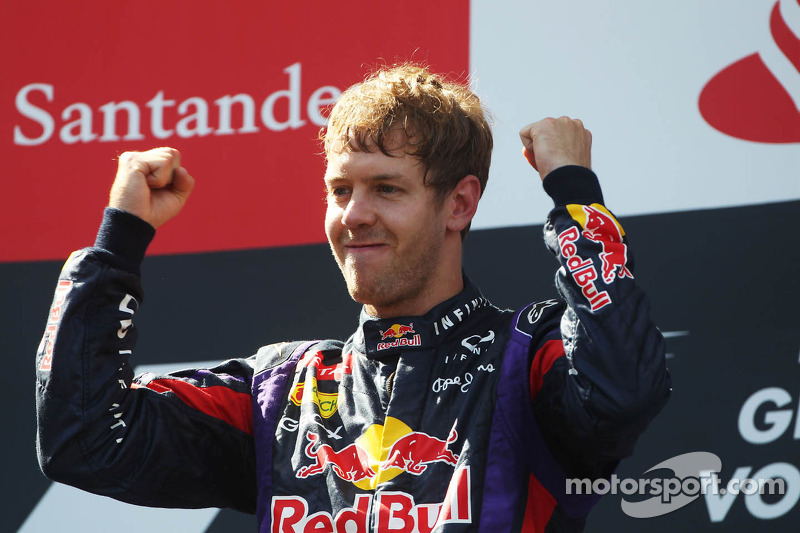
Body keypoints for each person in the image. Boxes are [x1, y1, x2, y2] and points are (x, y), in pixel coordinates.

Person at [35, 64, 671, 532]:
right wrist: (118, 241)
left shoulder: (526, 360)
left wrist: (575, 195)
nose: (354, 216)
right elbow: (86, 439)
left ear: (460, 203)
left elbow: (624, 387)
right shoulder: (280, 388)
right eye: (340, 191)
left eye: (387, 190)